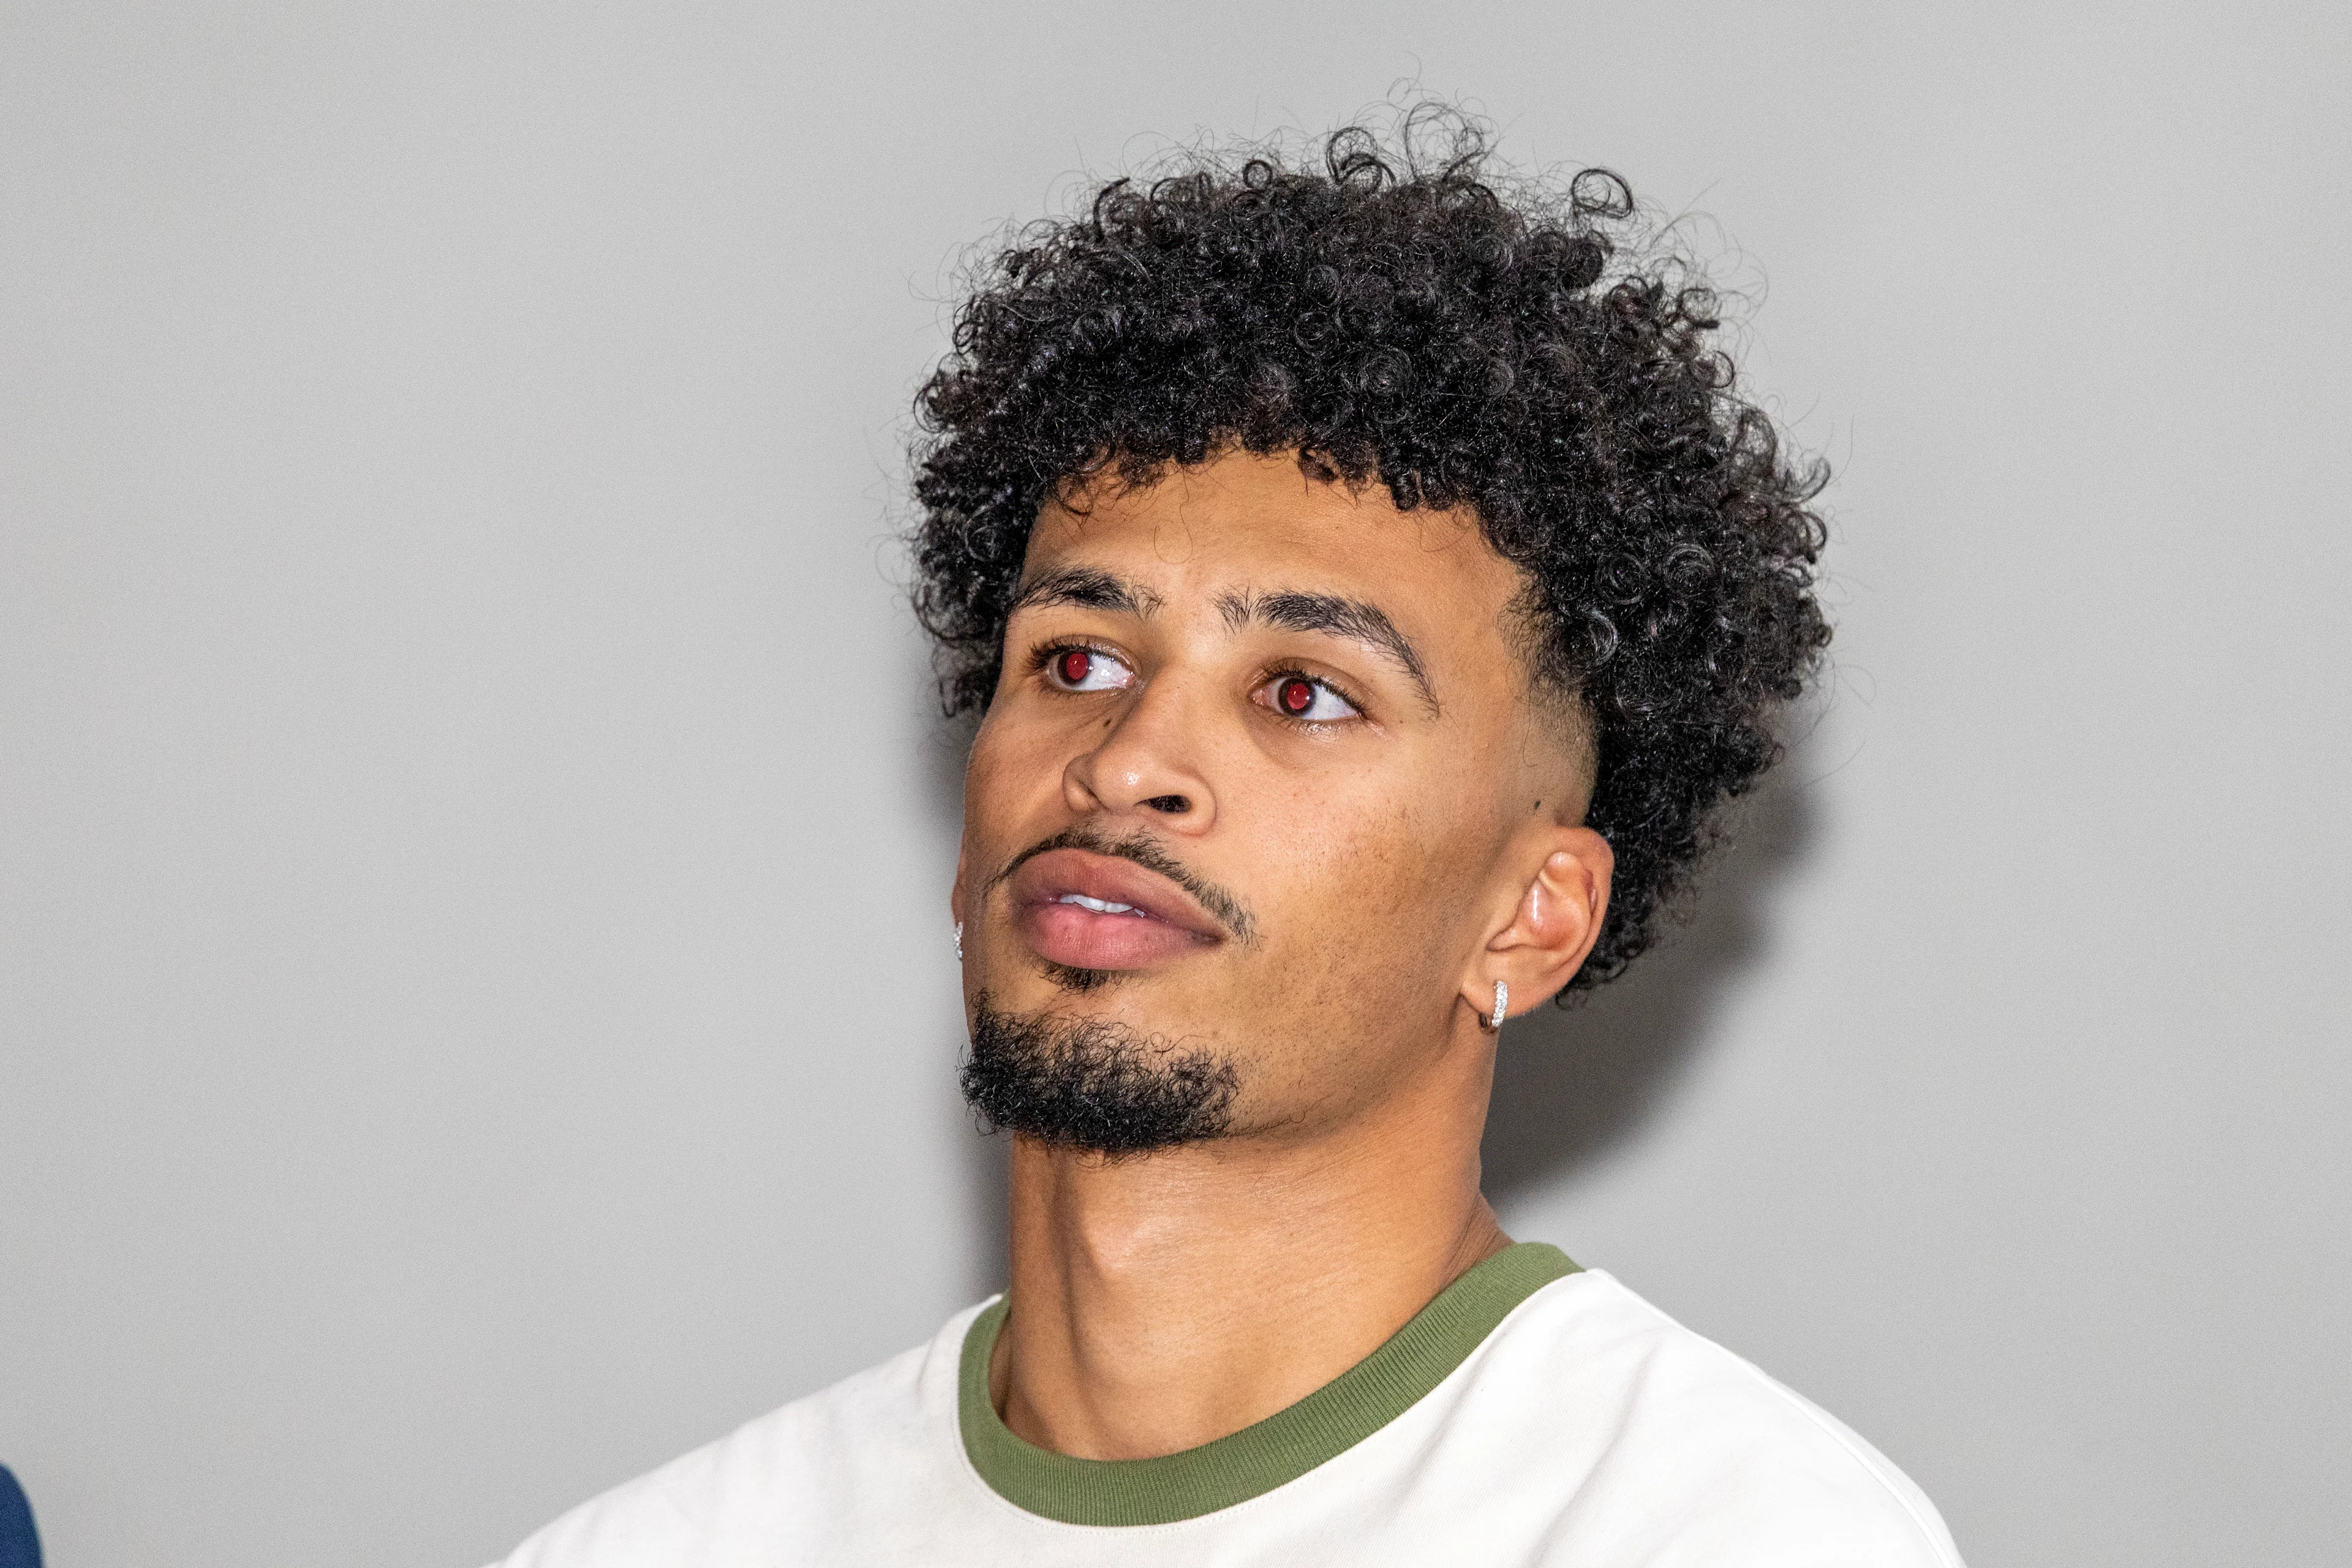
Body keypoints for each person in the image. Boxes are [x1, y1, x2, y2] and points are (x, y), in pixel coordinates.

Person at [492, 111, 1964, 1566]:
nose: (1127, 761)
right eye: (1076, 661)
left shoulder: (1727, 1529)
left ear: (1532, 916)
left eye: (1305, 692)